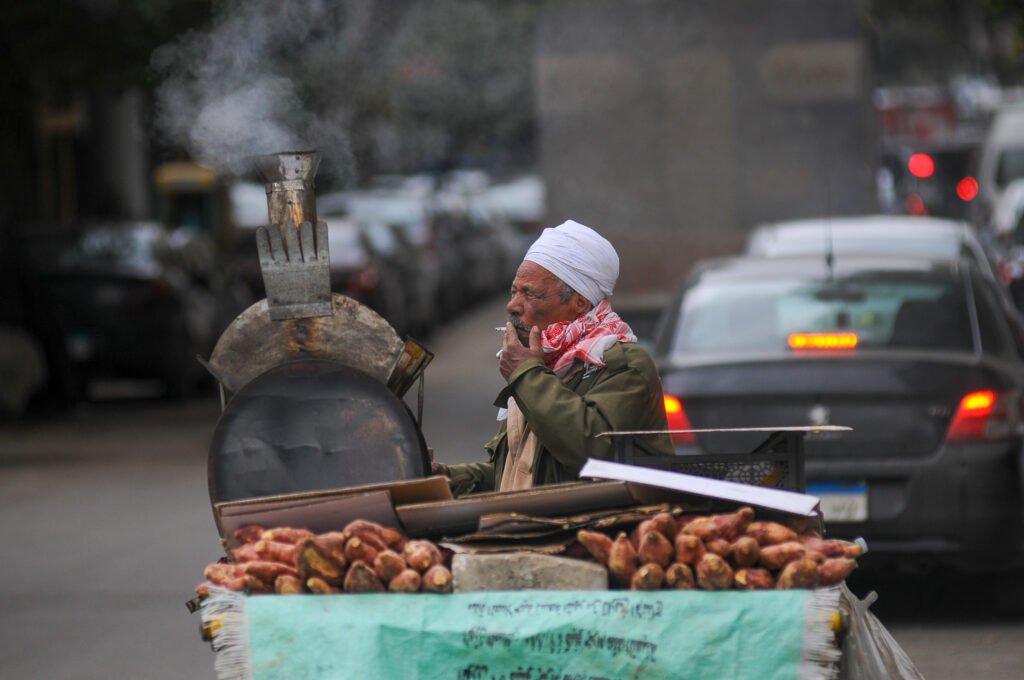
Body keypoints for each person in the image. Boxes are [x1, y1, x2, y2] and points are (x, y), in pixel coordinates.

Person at [432, 219, 673, 494]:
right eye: (514, 291)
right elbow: (522, 472)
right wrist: (451, 478)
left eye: (530, 294)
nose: (512, 306)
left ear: (579, 303)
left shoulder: (624, 365)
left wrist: (526, 375)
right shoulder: (544, 364)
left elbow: (588, 450)